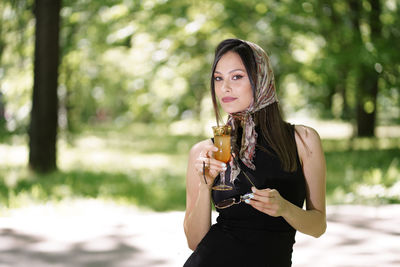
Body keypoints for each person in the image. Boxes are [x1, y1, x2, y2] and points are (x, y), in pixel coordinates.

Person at [183, 38, 326, 267]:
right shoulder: (205, 152)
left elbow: (318, 226)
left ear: (261, 80)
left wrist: (284, 208)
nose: (224, 88)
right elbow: (194, 241)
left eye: (236, 77)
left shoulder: (303, 140)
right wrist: (204, 185)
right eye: (218, 78)